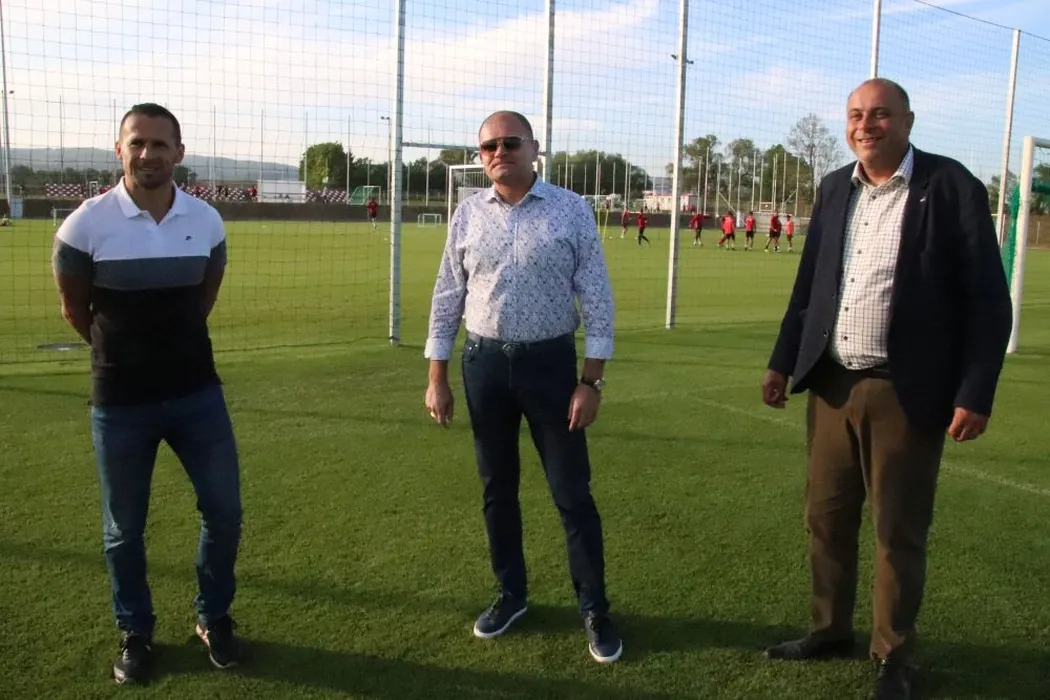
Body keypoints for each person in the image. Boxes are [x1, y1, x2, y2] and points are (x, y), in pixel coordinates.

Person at [760, 79, 1012, 700]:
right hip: (831, 384)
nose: (865, 125)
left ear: (907, 121)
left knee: (897, 531)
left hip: (906, 391)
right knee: (825, 519)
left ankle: (893, 655)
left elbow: (988, 299)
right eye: (855, 114)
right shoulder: (833, 188)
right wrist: (781, 362)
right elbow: (808, 288)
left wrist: (975, 391)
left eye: (879, 114)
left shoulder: (949, 187)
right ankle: (828, 630)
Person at [51, 103, 243, 684]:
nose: (147, 154)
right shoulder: (83, 225)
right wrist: (125, 355)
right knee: (124, 529)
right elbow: (75, 311)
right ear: (119, 149)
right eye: (137, 142)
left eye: (160, 144)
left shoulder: (206, 221)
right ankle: (135, 630)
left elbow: (204, 299)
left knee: (225, 511)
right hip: (120, 403)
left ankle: (213, 617)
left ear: (179, 153)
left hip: (197, 395)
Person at [423, 110, 623, 665]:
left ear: (535, 148)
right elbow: (447, 295)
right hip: (484, 365)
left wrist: (592, 380)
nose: (499, 153)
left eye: (510, 143)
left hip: (551, 368)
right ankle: (511, 594)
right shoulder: (467, 213)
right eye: (488, 146)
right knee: (497, 489)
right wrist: (437, 375)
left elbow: (597, 296)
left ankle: (594, 608)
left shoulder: (571, 209)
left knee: (571, 493)